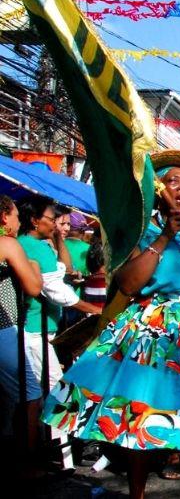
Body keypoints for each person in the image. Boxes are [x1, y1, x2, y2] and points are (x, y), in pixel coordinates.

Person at [42, 150, 180, 499]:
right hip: (155, 331)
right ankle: (136, 493)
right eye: (172, 180)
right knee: (145, 417)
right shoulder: (142, 230)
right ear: (158, 190)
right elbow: (129, 284)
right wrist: (165, 236)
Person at [16, 196, 99, 397]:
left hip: (42, 329)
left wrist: (57, 238)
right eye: (52, 219)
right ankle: (50, 429)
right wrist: (91, 308)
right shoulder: (31, 246)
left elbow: (65, 268)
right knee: (54, 389)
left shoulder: (37, 245)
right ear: (35, 220)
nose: (55, 224)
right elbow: (54, 290)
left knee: (44, 387)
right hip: (35, 329)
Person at [0, 195, 44, 478]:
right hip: (2, 328)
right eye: (16, 216)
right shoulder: (7, 243)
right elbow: (33, 287)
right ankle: (27, 464)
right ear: (4, 217)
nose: (18, 222)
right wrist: (35, 268)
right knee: (31, 394)